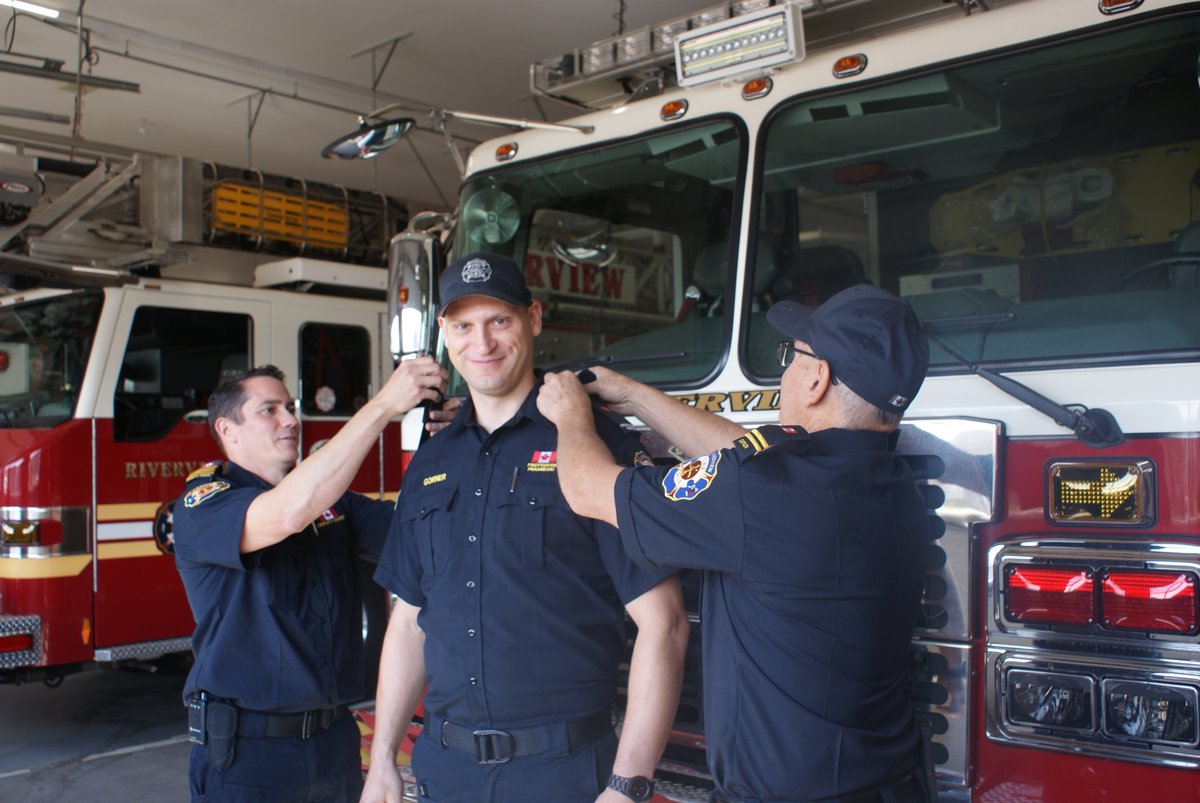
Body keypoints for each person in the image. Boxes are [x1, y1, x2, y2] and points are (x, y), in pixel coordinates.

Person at [538, 284, 933, 803]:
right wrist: (634, 395)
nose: (786, 367)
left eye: (792, 356)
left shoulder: (765, 494)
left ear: (817, 379)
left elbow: (588, 489)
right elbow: (748, 461)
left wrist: (570, 414)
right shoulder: (897, 484)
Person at [361, 252, 689, 803]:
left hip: (563, 774)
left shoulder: (592, 443)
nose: (482, 343)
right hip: (447, 772)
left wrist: (627, 786)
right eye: (464, 326)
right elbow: (410, 619)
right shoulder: (431, 460)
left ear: (533, 319)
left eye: (500, 321)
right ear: (443, 331)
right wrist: (383, 763)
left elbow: (666, 623)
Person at [174, 358, 449, 803]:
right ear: (227, 430)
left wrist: (462, 440)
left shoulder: (335, 504)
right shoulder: (204, 505)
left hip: (333, 743)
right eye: (269, 410)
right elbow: (288, 513)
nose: (290, 420)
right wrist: (382, 406)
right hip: (249, 755)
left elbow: (427, 533)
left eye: (290, 407)